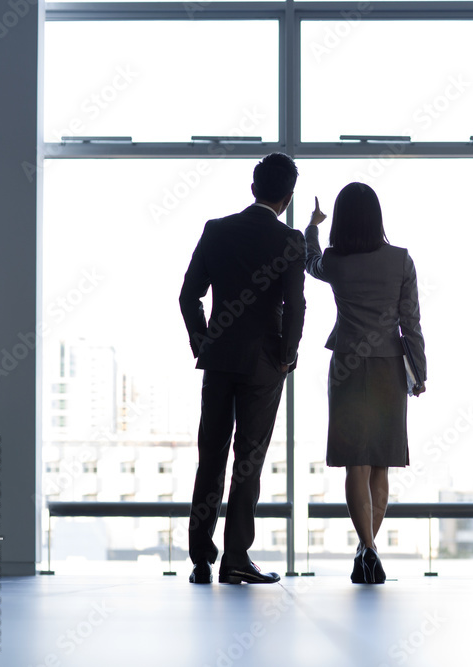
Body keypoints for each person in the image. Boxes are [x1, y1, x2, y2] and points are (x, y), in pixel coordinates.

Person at [179, 153, 306, 585]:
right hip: (264, 364)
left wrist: (204, 343)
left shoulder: (216, 230)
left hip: (219, 360)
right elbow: (295, 306)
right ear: (287, 198)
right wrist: (288, 355)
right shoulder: (290, 241)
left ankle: (200, 558)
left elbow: (188, 297)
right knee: (248, 460)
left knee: (209, 456)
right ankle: (235, 559)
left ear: (253, 189)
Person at [304, 182, 426, 584]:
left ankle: (367, 549)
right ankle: (369, 549)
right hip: (391, 366)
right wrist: (419, 371)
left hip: (349, 367)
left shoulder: (337, 262)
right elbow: (411, 323)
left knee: (355, 463)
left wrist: (313, 227)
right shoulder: (401, 261)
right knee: (380, 463)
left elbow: (310, 261)